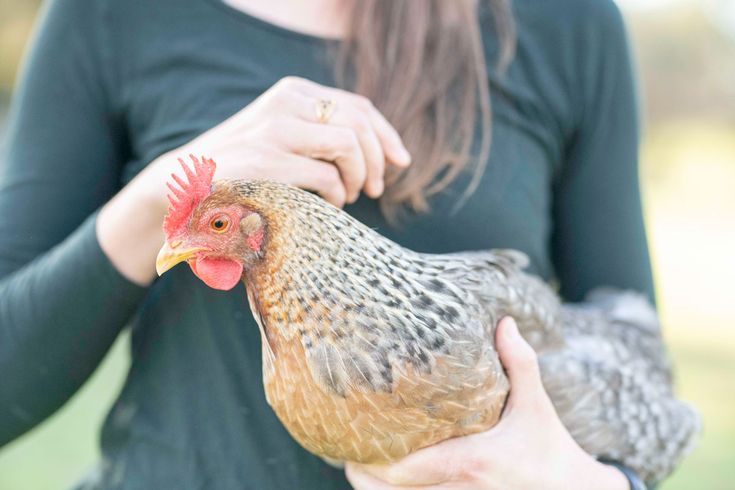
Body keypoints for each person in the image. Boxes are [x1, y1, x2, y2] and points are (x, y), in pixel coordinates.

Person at [0, 0, 656, 488]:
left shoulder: (563, 23)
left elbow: (632, 344)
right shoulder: (114, 16)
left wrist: (585, 483)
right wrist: (164, 193)